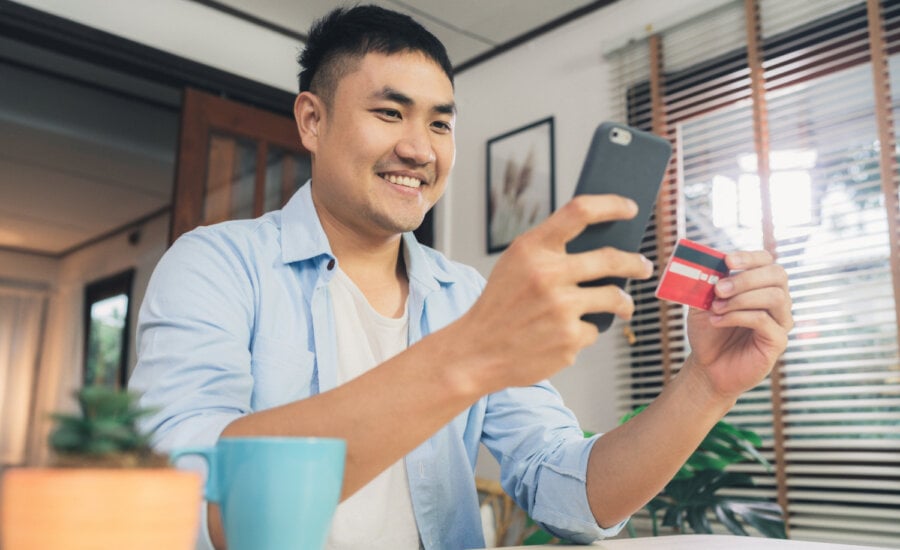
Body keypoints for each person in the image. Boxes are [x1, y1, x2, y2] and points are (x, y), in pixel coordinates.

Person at [129, 5, 793, 550]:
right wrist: (473, 352)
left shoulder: (465, 296)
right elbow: (188, 507)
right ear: (312, 120)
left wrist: (705, 387)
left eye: (440, 122)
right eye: (390, 113)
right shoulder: (214, 264)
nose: (420, 148)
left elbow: (572, 495)